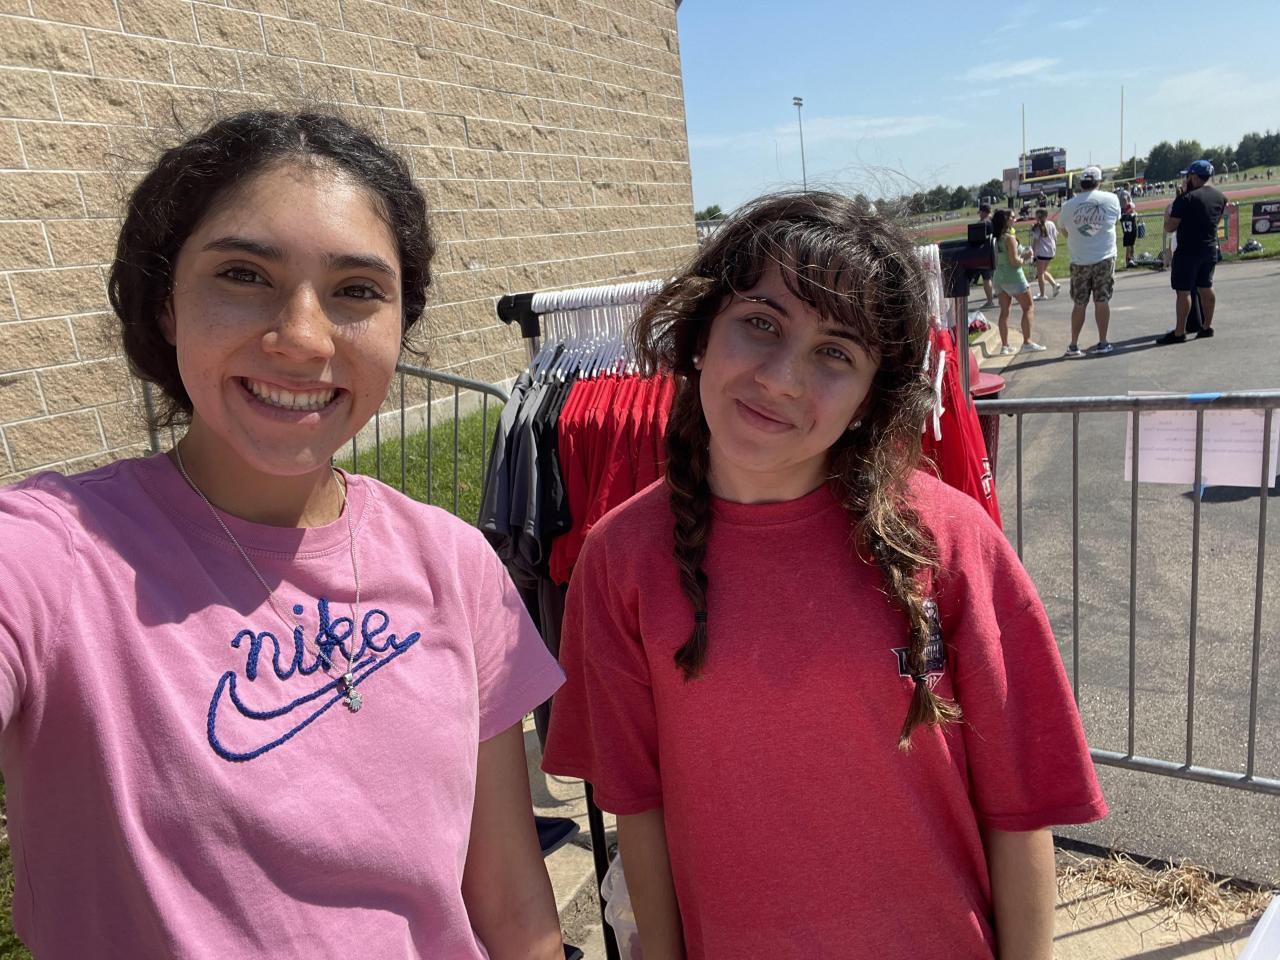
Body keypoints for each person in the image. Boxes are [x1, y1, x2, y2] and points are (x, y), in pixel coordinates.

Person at [0, 112, 567, 959]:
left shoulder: (454, 562)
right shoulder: (55, 554)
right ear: (166, 304)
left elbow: (516, 914)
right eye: (243, 274)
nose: (302, 338)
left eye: (356, 290)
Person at [542, 192, 1106, 960]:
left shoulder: (951, 543)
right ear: (701, 335)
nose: (782, 378)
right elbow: (639, 812)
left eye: (835, 352)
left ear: (873, 395)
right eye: (761, 323)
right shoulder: (619, 559)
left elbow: (1019, 809)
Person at [1156, 159, 1227, 344]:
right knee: (1206, 287)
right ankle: (1207, 326)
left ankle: (1180, 332)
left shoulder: (1185, 199)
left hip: (1187, 251)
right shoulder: (1220, 197)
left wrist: (1168, 215)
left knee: (1184, 291)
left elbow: (1170, 227)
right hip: (1209, 248)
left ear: (1194, 177)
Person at [1058, 165, 1121, 357]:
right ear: (1099, 182)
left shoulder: (1068, 206)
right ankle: (1102, 342)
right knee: (1102, 300)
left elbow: (1064, 229)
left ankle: (1073, 344)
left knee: (1079, 303)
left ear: (1081, 183)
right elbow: (1114, 221)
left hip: (1079, 260)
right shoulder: (1111, 199)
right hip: (1104, 257)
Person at [991, 208, 1046, 354]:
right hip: (1014, 277)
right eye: (1012, 217)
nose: (1015, 220)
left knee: (1004, 311)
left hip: (999, 278)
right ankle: (1027, 342)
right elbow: (1014, 262)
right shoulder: (1009, 238)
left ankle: (1005, 346)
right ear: (1006, 220)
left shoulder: (993, 238)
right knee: (1028, 307)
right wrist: (1025, 257)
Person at [1029, 207, 1062, 298]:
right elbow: (1055, 238)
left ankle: (1042, 294)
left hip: (1041, 252)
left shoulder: (1037, 227)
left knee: (1040, 274)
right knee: (1042, 271)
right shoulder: (1051, 224)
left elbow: (1035, 242)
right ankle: (1054, 285)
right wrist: (1054, 249)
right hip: (1050, 251)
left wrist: (1032, 254)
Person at [970, 202, 995, 306]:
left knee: (986, 278)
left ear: (983, 212)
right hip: (994, 251)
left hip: (985, 254)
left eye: (980, 212)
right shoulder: (993, 221)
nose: (979, 214)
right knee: (993, 276)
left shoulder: (982, 223)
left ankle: (990, 301)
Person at [1120, 196, 1138, 268]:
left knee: (1129, 247)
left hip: (1126, 234)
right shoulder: (1132, 216)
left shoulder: (1123, 216)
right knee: (1130, 248)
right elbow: (1134, 215)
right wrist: (1133, 213)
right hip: (1131, 234)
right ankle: (1128, 262)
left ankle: (1130, 261)